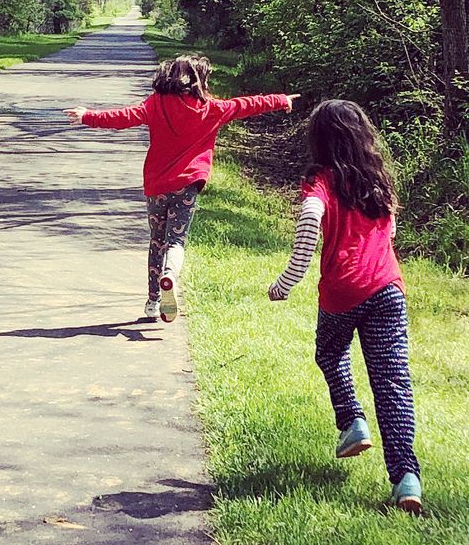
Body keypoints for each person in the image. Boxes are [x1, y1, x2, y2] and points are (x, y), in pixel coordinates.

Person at [267, 99, 422, 514]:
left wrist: (287, 282)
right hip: (388, 289)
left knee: (331, 353)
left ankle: (353, 421)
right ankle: (406, 478)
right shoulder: (380, 179)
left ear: (319, 140)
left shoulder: (321, 181)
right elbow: (389, 232)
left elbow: (309, 222)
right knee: (392, 383)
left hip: (342, 292)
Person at [67, 55, 293, 322]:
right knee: (176, 239)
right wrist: (282, 100)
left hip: (157, 186)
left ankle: (153, 301)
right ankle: (170, 275)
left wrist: (87, 117)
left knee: (157, 240)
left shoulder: (156, 104)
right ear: (201, 79)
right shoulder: (212, 108)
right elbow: (247, 104)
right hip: (187, 185)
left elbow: (123, 117)